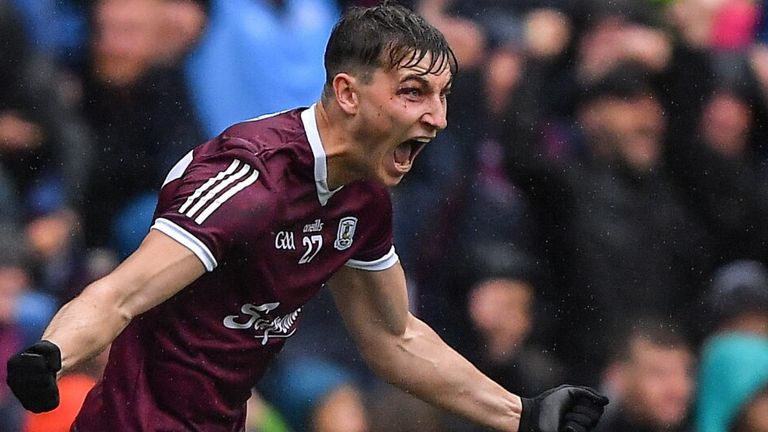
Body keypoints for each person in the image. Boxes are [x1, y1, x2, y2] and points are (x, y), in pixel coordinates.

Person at [5, 3, 608, 431]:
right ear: (347, 93)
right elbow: (118, 296)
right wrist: (50, 354)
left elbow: (394, 338)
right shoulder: (248, 180)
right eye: (413, 93)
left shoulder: (364, 198)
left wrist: (520, 414)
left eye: (443, 96)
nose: (438, 118)